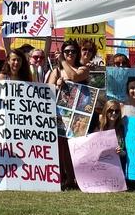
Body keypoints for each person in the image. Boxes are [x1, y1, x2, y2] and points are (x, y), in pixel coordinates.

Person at [48, 40, 89, 190]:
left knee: (76, 147)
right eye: (66, 52)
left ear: (77, 53)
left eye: (73, 51)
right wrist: (56, 85)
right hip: (61, 114)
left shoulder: (83, 68)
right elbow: (48, 92)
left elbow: (74, 76)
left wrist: (62, 61)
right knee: (62, 148)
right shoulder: (56, 72)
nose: (70, 54)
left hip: (79, 115)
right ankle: (64, 178)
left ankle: (77, 178)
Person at [98, 100, 127, 169]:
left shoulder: (123, 129)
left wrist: (122, 152)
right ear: (106, 111)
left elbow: (127, 152)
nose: (114, 113)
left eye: (117, 111)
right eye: (111, 110)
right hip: (100, 167)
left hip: (117, 168)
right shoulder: (98, 127)